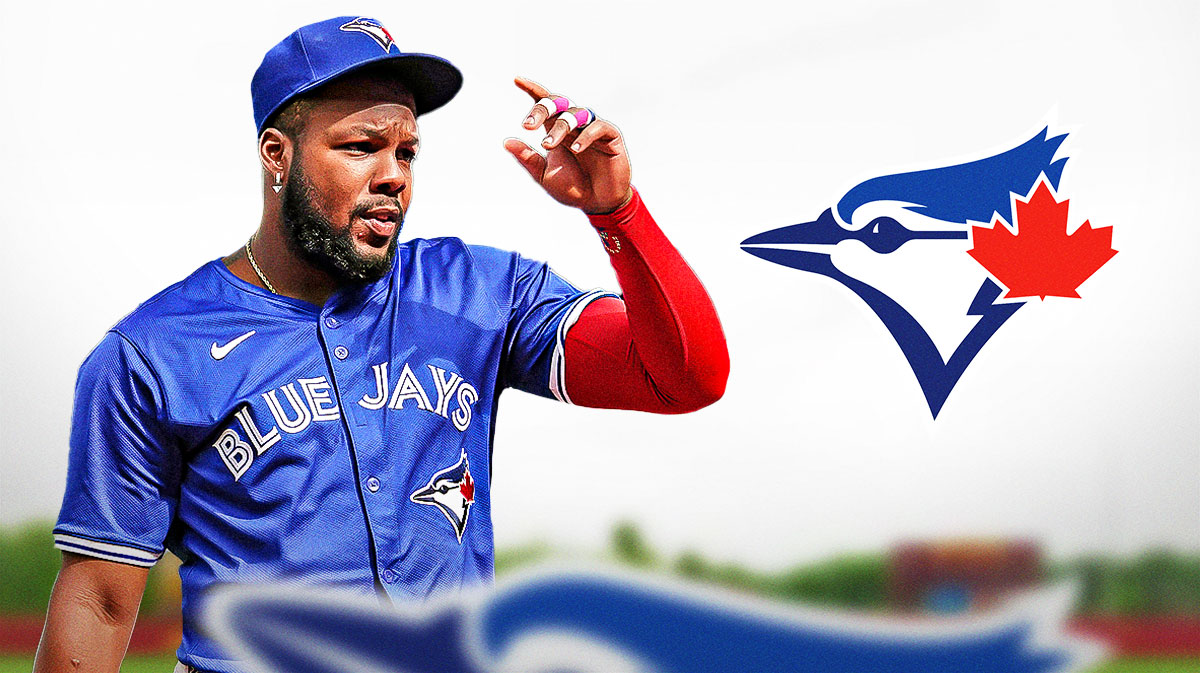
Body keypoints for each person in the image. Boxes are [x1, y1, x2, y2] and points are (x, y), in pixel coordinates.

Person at [33, 16, 729, 673]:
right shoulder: (153, 351)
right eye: (362, 146)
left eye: (407, 151)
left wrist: (616, 212)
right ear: (278, 155)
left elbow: (686, 377)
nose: (394, 174)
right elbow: (100, 597)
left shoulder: (476, 293)